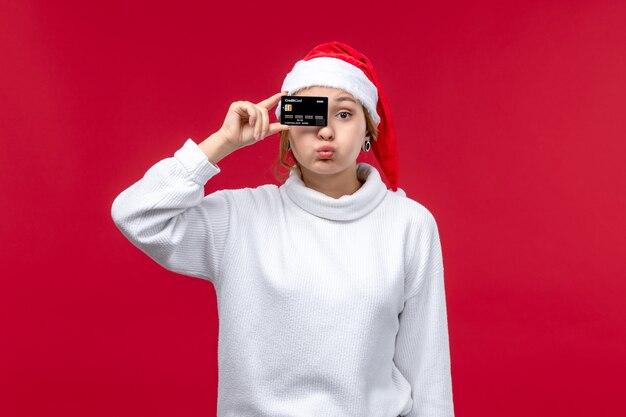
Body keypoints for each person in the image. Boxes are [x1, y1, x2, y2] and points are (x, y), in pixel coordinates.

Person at [111, 41, 455, 417]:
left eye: (344, 114)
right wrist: (221, 143)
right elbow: (137, 215)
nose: (326, 132)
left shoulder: (409, 224)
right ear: (288, 130)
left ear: (368, 131)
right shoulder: (241, 217)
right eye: (311, 114)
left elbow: (427, 372)